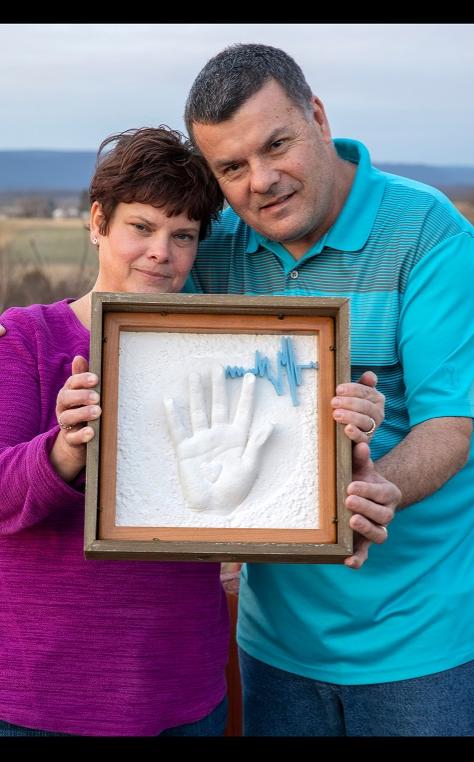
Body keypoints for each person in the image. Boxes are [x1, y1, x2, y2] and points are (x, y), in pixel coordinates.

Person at [0, 126, 392, 736]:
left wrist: (340, 438)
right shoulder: (27, 340)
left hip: (185, 690)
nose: (162, 251)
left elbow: (275, 494)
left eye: (182, 236)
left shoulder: (223, 352)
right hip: (48, 695)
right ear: (98, 221)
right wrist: (62, 451)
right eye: (142, 227)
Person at [181, 44, 474, 736]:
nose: (260, 181)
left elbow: (449, 428)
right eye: (232, 167)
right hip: (276, 640)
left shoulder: (431, 233)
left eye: (276, 145)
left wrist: (370, 490)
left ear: (317, 118)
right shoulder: (215, 247)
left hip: (424, 638)